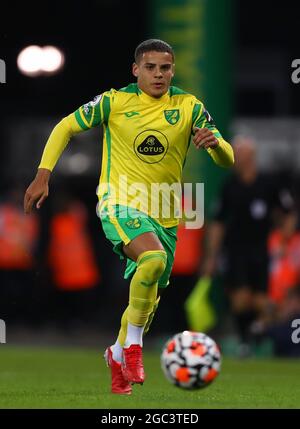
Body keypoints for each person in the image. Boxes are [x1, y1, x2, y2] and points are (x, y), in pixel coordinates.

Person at [24, 39, 234, 395]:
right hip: (119, 202)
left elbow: (227, 159)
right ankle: (133, 349)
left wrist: (215, 144)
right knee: (152, 260)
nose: (158, 74)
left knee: (148, 298)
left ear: (173, 70)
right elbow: (65, 127)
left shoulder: (188, 106)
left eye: (165, 68)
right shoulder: (114, 102)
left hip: (165, 213)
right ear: (136, 69)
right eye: (150, 67)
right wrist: (43, 174)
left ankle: (117, 352)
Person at [201, 136, 294, 357]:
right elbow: (218, 223)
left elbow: (288, 214)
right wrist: (212, 255)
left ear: (251, 156)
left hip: (262, 251)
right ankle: (246, 340)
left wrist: (282, 240)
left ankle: (257, 331)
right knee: (241, 300)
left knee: (263, 302)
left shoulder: (268, 184)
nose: (236, 158)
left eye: (240, 154)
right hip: (235, 251)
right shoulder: (229, 186)